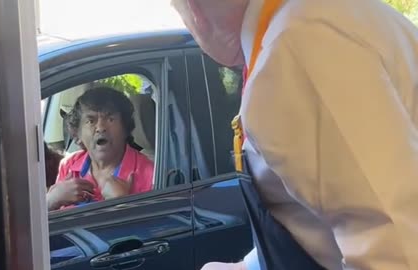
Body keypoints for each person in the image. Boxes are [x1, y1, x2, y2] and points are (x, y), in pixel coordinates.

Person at [172, 0, 418, 269]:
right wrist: (249, 266)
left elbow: (396, 249)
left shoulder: (295, 46)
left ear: (194, 11)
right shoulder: (312, 19)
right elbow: (315, 214)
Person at [47, 87, 154, 211]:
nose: (100, 127)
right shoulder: (69, 165)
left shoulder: (148, 172)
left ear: (126, 129)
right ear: (78, 136)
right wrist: (52, 199)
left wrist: (123, 203)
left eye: (110, 119)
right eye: (90, 121)